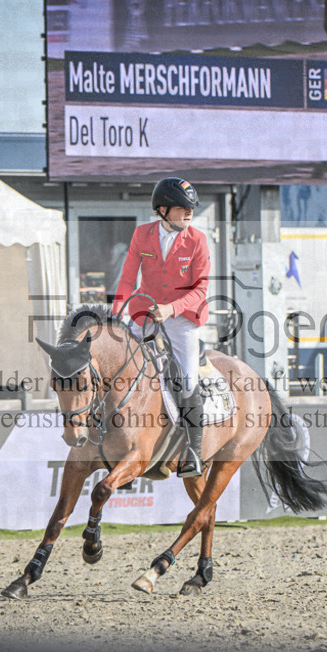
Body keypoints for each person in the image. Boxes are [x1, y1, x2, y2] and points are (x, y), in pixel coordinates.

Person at [111, 177, 210, 478]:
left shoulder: (197, 240)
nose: (189, 212)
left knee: (188, 381)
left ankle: (193, 451)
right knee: (120, 368)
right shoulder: (142, 235)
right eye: (182, 207)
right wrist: (116, 313)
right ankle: (116, 443)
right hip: (145, 315)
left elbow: (201, 288)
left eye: (191, 206)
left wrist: (171, 309)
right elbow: (128, 278)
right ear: (163, 210)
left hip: (182, 320)